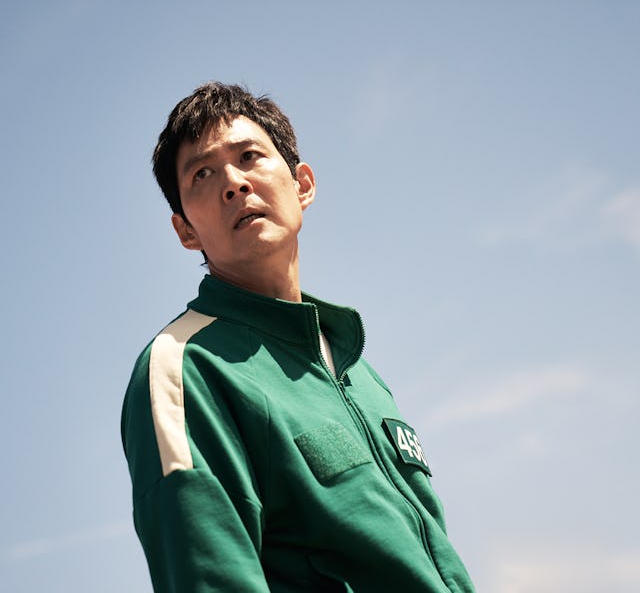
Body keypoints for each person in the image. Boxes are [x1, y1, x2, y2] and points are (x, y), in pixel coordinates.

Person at [121, 82, 475, 592]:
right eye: (202, 173)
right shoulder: (184, 367)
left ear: (302, 184)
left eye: (250, 156)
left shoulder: (361, 373)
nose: (234, 183)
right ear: (185, 231)